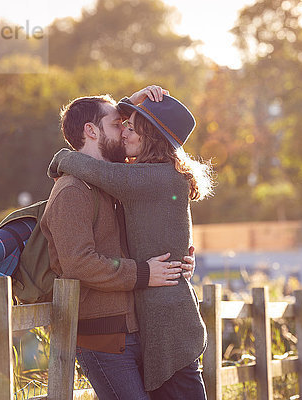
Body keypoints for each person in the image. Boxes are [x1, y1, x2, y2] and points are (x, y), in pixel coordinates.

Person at [48, 92, 214, 399]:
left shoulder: (147, 178)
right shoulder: (137, 178)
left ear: (149, 139)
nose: (124, 130)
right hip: (152, 326)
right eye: (120, 124)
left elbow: (102, 169)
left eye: (131, 128)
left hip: (168, 328)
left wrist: (61, 158)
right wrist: (134, 100)